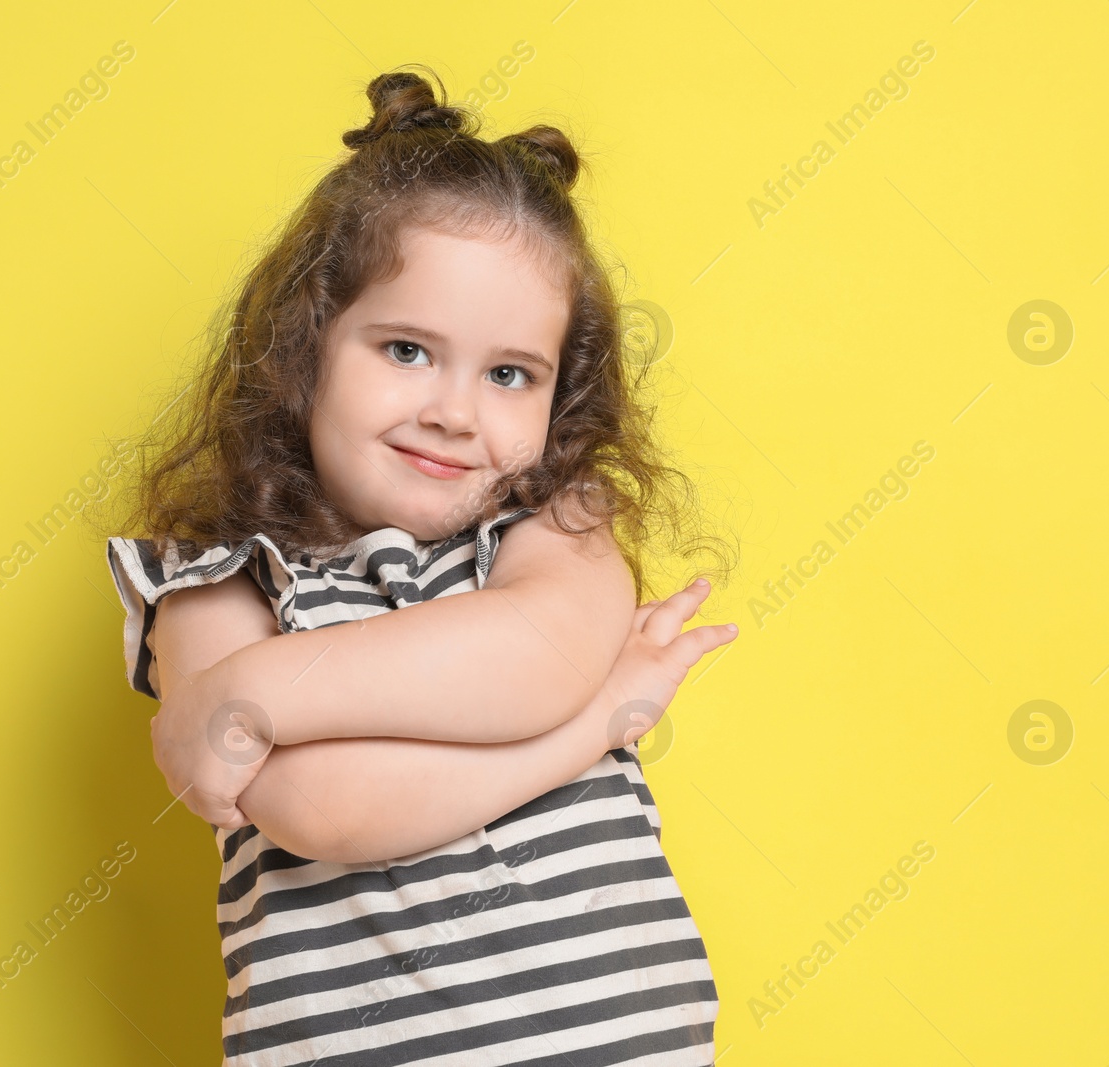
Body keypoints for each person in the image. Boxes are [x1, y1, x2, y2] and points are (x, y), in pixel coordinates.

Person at [106, 65, 739, 1065]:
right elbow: (326, 807)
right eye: (406, 350)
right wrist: (604, 713)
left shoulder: (554, 518)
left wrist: (257, 691)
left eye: (507, 374)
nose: (455, 409)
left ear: (557, 393)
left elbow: (530, 658)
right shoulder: (215, 580)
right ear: (304, 351)